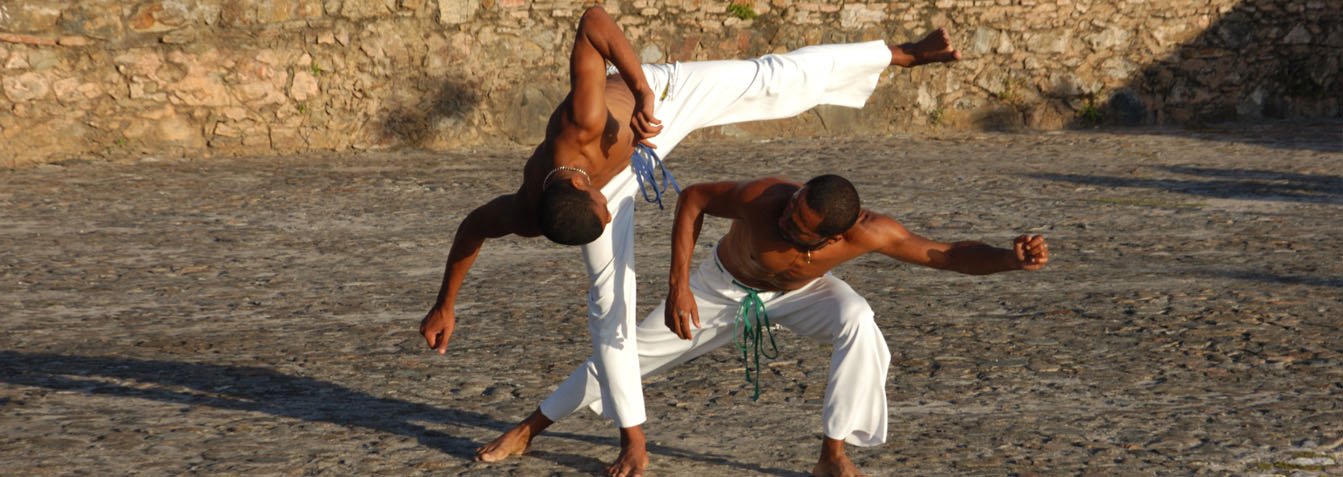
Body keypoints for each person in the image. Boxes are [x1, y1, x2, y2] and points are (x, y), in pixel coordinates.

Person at [417, 6, 961, 476]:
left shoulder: (583, 120)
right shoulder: (527, 210)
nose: (611, 221)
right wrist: (446, 303)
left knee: (768, 76)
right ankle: (632, 438)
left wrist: (641, 87)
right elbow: (472, 228)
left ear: (586, 191)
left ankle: (900, 54)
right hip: (621, 174)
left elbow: (593, 19)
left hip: (662, 102)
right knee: (609, 306)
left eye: (603, 217)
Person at [476, 175, 1050, 477]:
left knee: (859, 318)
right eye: (790, 207)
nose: (784, 218)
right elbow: (696, 198)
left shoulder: (870, 232)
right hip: (719, 289)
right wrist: (678, 284)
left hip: (801, 295)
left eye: (798, 224)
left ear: (831, 237)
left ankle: (832, 453)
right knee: (619, 352)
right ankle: (530, 428)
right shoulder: (763, 197)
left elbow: (946, 254)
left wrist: (1009, 257)